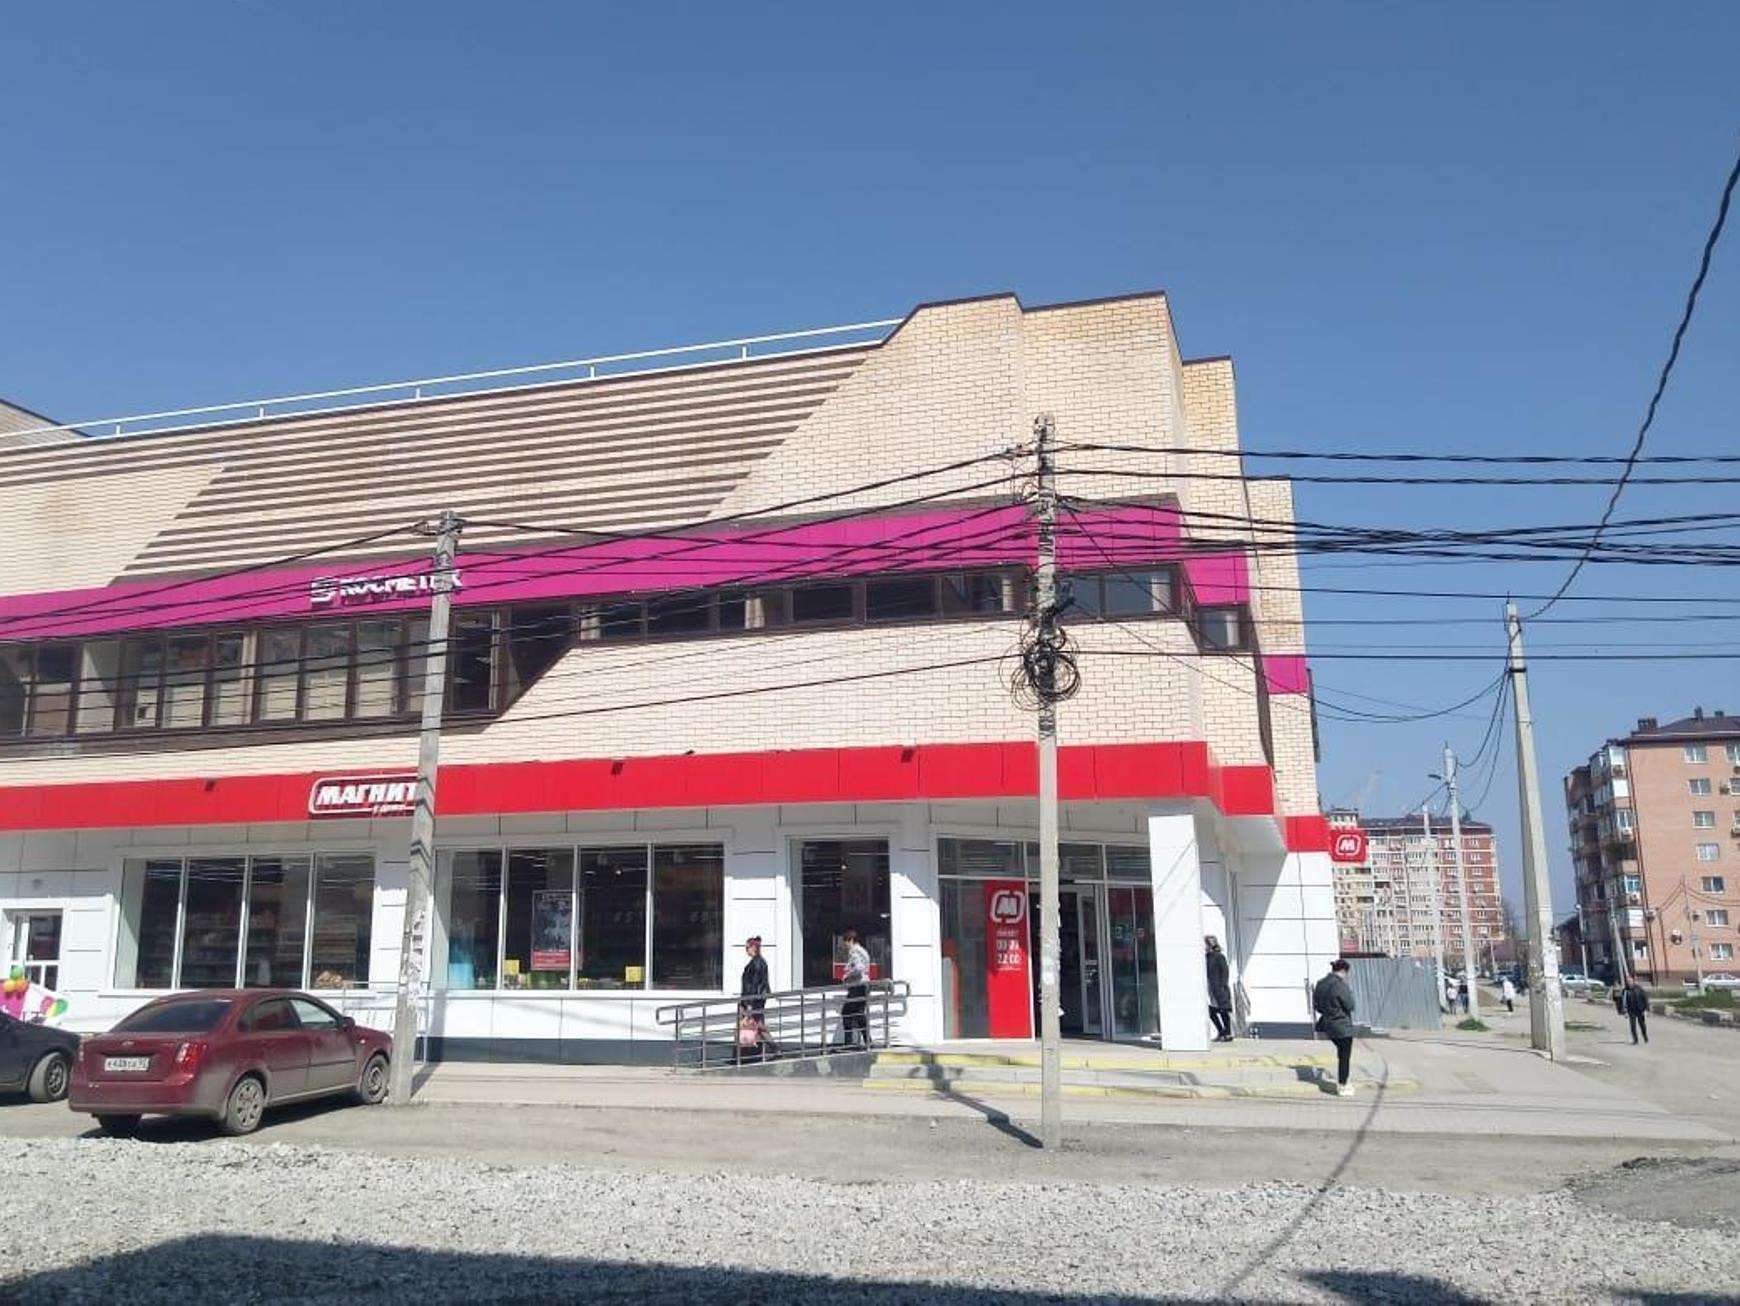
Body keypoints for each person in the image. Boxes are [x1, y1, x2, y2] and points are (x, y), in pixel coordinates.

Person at [1312, 958, 1359, 1096]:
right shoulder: (1340, 985)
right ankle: (1343, 1086)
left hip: (1327, 1024)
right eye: (1346, 973)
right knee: (1344, 1056)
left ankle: (1343, 1082)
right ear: (1343, 971)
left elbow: (1317, 1006)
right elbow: (1350, 1005)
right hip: (1342, 1026)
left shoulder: (1320, 983)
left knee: (1341, 1052)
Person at [736, 935, 772, 1063]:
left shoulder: (756, 964)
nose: (746, 950)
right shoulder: (758, 962)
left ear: (754, 948)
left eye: (747, 947)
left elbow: (754, 985)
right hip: (755, 1001)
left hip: (752, 1001)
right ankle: (743, 1056)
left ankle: (741, 1057)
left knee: (753, 1027)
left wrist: (749, 1004)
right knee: (757, 1027)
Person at [839, 929, 872, 1050]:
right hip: (864, 985)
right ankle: (868, 1041)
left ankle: (848, 1043)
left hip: (858, 985)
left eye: (846, 941)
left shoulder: (854, 951)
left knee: (846, 1012)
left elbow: (858, 968)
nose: (845, 945)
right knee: (859, 1014)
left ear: (851, 940)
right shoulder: (862, 950)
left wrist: (847, 975)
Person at [1204, 936, 1234, 1042]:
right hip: (1210, 988)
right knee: (1211, 1011)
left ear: (1209, 945)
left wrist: (1222, 986)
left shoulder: (1219, 956)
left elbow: (1225, 972)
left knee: (1223, 1010)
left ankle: (1227, 1033)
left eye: (1205, 944)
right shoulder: (1206, 957)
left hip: (1219, 988)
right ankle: (1221, 1032)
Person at [1623, 976, 1650, 1045]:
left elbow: (1645, 998)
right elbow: (1624, 1002)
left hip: (1640, 1009)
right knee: (1633, 1026)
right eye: (1628, 981)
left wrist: (1647, 1009)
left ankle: (1645, 1036)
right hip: (1631, 1011)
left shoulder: (1639, 988)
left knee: (1642, 1025)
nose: (1629, 982)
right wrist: (1625, 1012)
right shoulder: (1626, 990)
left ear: (1633, 981)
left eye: (1630, 981)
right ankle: (1635, 1040)